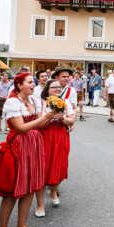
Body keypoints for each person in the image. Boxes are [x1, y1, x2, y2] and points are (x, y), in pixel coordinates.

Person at [0, 73, 55, 227]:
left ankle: (21, 224)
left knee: (31, 186)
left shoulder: (34, 101)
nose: (33, 85)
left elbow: (40, 125)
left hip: (34, 145)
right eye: (29, 82)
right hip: (18, 146)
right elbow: (20, 127)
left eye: (33, 82)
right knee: (12, 189)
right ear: (19, 85)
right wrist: (45, 117)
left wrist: (51, 118)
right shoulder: (13, 102)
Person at [34, 79, 75, 216]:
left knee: (60, 166)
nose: (57, 89)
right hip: (45, 136)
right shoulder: (40, 103)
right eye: (54, 87)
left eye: (59, 87)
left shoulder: (66, 102)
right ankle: (40, 205)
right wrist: (49, 116)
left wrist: (62, 118)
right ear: (47, 89)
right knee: (42, 169)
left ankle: (53, 191)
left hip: (61, 136)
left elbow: (71, 121)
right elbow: (39, 125)